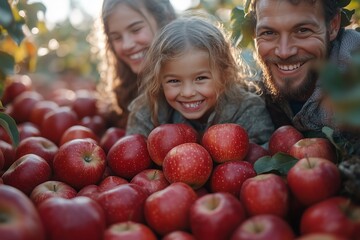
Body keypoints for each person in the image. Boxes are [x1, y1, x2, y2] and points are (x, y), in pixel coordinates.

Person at [126, 13, 274, 145]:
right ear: (159, 80)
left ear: (225, 75)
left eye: (201, 78)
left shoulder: (246, 110)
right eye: (174, 81)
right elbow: (132, 155)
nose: (188, 92)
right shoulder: (149, 112)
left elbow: (260, 155)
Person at [244, 0, 360, 155]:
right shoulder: (255, 97)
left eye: (302, 30)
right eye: (269, 33)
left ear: (333, 25)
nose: (284, 52)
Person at [93, 0, 176, 128]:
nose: (127, 45)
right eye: (116, 37)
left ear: (163, 22)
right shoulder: (128, 93)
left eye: (136, 30)